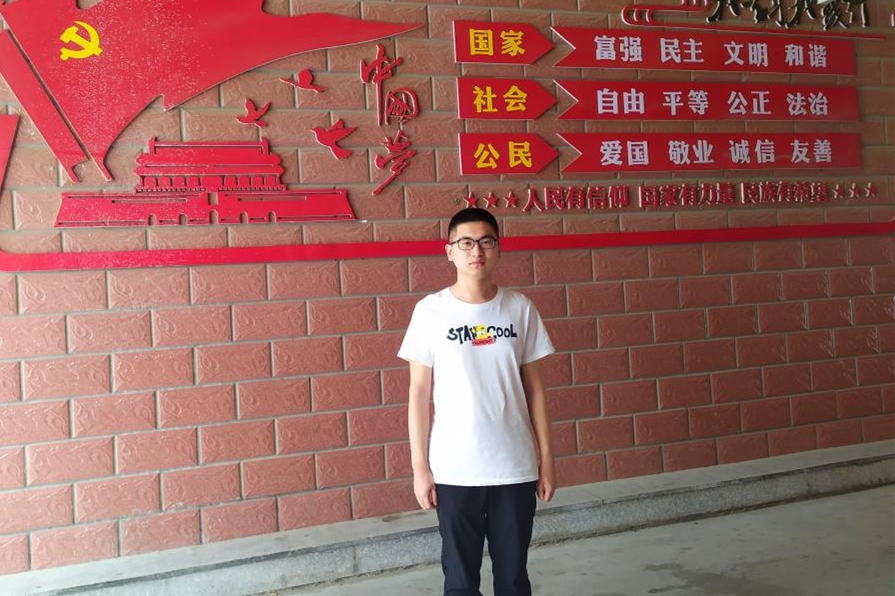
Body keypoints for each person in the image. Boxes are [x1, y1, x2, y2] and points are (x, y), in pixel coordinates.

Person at [398, 207, 556, 596]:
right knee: (460, 579)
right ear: (449, 251)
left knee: (513, 578)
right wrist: (420, 468)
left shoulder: (520, 308)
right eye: (466, 242)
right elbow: (418, 393)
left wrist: (547, 460)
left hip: (513, 466)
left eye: (486, 241)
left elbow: (535, 389)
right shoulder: (430, 312)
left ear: (498, 248)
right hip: (455, 468)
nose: (477, 251)